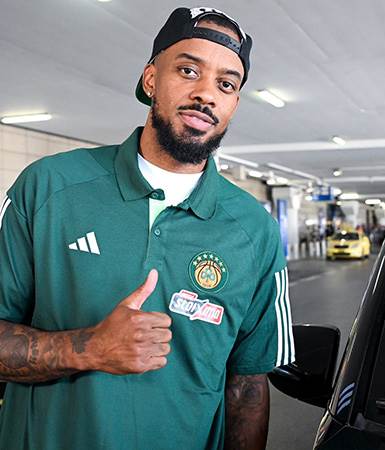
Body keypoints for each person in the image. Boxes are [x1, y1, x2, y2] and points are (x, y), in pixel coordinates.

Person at [0, 7, 294, 450]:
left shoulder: (255, 230)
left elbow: (248, 386)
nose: (206, 93)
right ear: (151, 79)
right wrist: (91, 348)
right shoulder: (49, 187)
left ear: (234, 104)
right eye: (188, 70)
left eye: (226, 84)